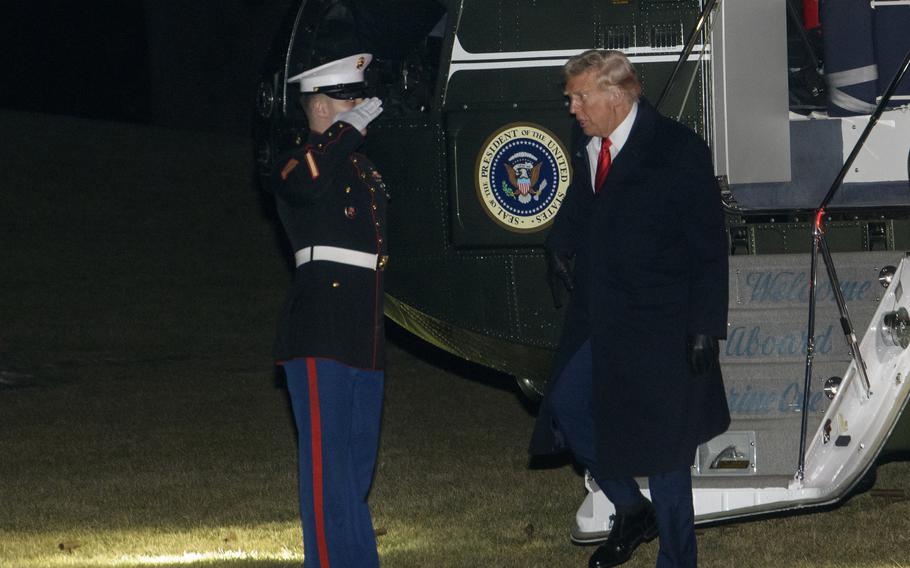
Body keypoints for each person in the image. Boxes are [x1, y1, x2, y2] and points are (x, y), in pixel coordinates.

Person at [528, 49, 731, 568]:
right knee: (567, 408)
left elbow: (708, 244)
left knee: (666, 453)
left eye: (579, 97)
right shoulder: (588, 141)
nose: (572, 108)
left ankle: (677, 558)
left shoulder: (677, 149)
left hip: (663, 322)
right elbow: (583, 201)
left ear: (616, 95)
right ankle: (629, 508)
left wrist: (705, 326)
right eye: (571, 97)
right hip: (600, 316)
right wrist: (560, 241)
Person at [268, 52, 388, 568]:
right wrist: (346, 133)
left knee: (355, 470)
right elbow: (307, 181)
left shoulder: (362, 169)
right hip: (320, 328)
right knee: (325, 471)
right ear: (319, 106)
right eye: (348, 100)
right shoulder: (294, 162)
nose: (359, 108)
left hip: (363, 329)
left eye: (359, 99)